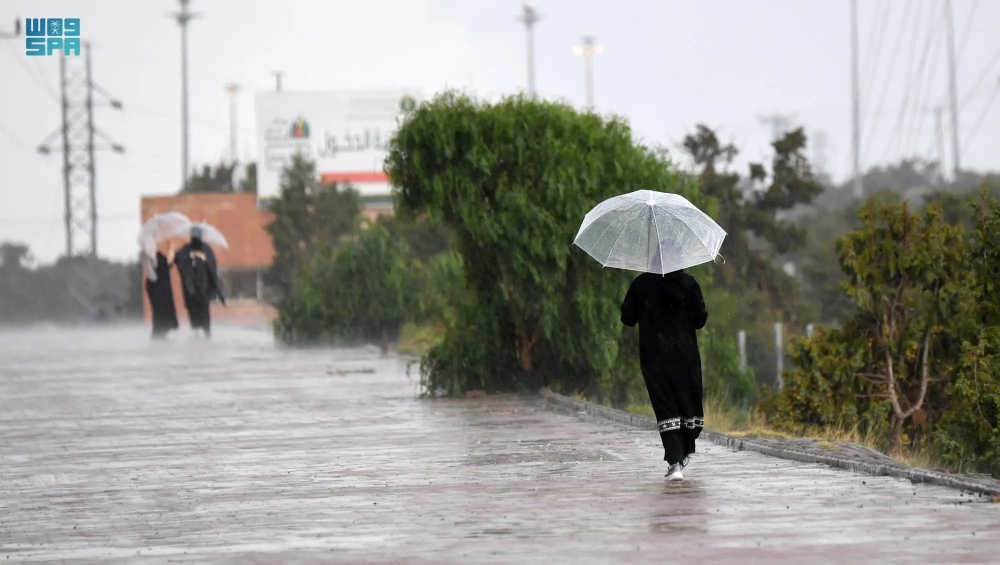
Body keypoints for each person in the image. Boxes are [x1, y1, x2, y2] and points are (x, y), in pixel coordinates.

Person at [620, 267, 708, 482]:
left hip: (654, 356)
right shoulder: (688, 283)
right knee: (687, 404)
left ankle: (675, 461)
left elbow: (627, 318)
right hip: (685, 356)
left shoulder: (641, 284)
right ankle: (683, 452)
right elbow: (700, 320)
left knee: (665, 406)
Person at [174, 226, 226, 337]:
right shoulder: (185, 250)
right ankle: (196, 337)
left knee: (204, 316)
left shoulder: (206, 249)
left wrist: (204, 259)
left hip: (203, 289)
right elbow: (178, 260)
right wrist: (191, 256)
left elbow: (213, 267)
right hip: (190, 290)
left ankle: (206, 336)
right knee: (194, 318)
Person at [143, 243, 179, 339]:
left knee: (164, 308)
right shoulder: (148, 256)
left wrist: (171, 250)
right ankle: (159, 331)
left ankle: (163, 330)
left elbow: (167, 265)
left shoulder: (158, 255)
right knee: (159, 309)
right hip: (156, 287)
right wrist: (155, 280)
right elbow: (151, 273)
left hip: (163, 286)